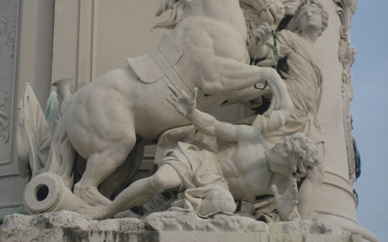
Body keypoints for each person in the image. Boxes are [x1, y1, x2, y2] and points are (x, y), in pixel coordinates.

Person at [78, 86, 319, 221]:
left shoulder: (284, 185)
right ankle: (105, 211)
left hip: (218, 189)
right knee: (160, 180)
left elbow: (296, 225)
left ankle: (150, 219)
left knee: (225, 205)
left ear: (291, 167)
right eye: (281, 143)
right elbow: (214, 127)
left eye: (282, 149)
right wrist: (191, 113)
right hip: (205, 163)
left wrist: (287, 215)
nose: (276, 146)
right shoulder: (254, 140)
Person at [247, 0, 329, 145]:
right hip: (289, 103)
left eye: (314, 13)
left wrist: (316, 118)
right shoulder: (290, 38)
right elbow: (260, 52)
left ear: (323, 22)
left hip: (306, 115)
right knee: (266, 145)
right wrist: (260, 41)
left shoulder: (320, 56)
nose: (309, 15)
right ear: (298, 23)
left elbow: (316, 90)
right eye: (304, 14)